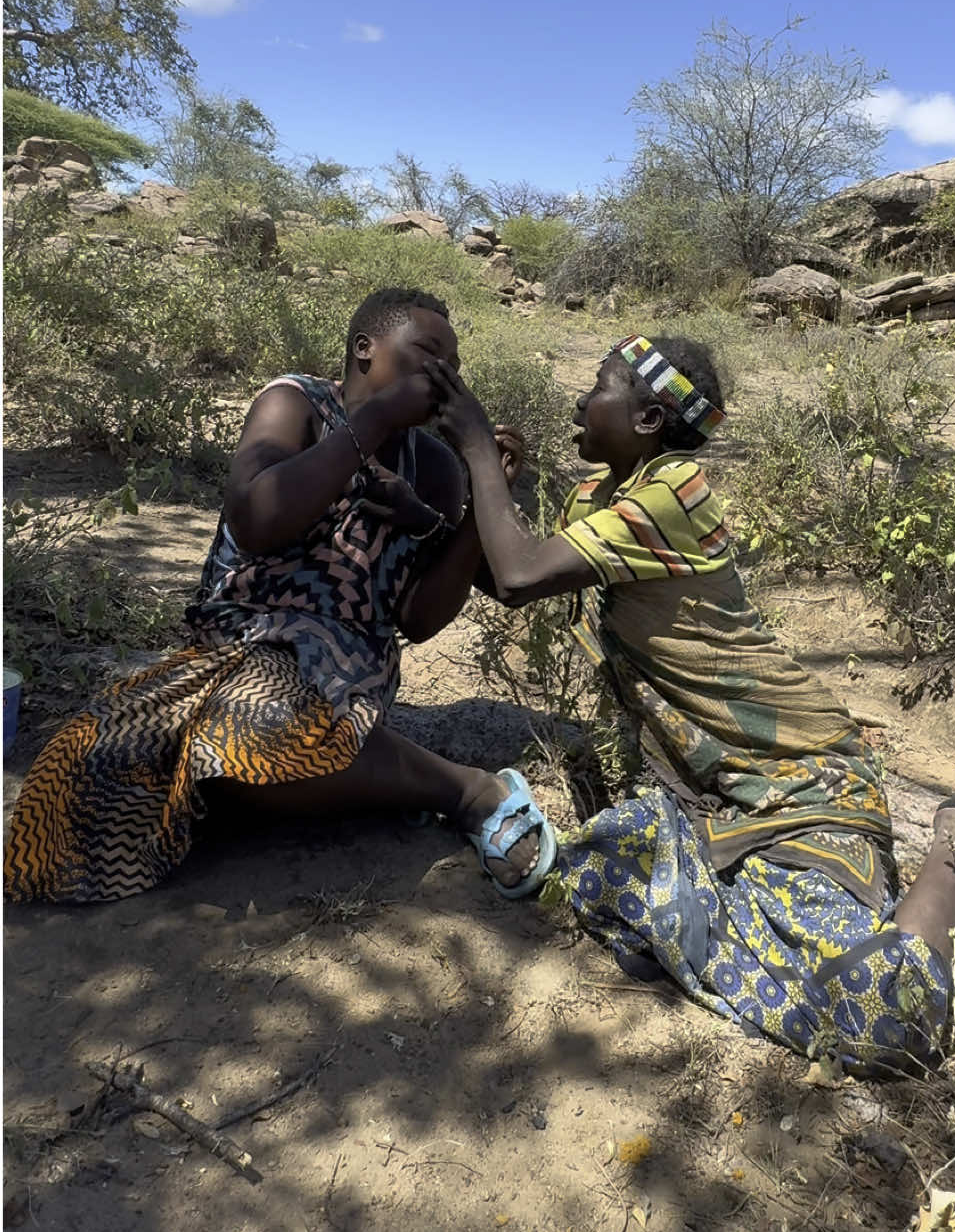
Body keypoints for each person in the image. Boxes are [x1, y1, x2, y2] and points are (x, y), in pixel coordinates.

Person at [426, 333, 955, 1074]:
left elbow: (516, 576)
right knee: (597, 874)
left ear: (647, 420)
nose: (580, 401)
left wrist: (480, 453)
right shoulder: (602, 496)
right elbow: (514, 580)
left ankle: (952, 842)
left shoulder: (672, 494)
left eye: (597, 386)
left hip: (800, 778)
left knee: (882, 1020)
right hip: (712, 795)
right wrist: (483, 488)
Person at [4, 287, 556, 905]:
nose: (444, 374)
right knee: (80, 763)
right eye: (428, 352)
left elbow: (421, 619)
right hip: (233, 649)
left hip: (343, 666)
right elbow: (257, 521)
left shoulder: (434, 466)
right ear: (365, 350)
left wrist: (482, 493)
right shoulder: (294, 403)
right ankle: (351, 778)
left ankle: (466, 792)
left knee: (248, 736)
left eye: (453, 365)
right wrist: (373, 423)